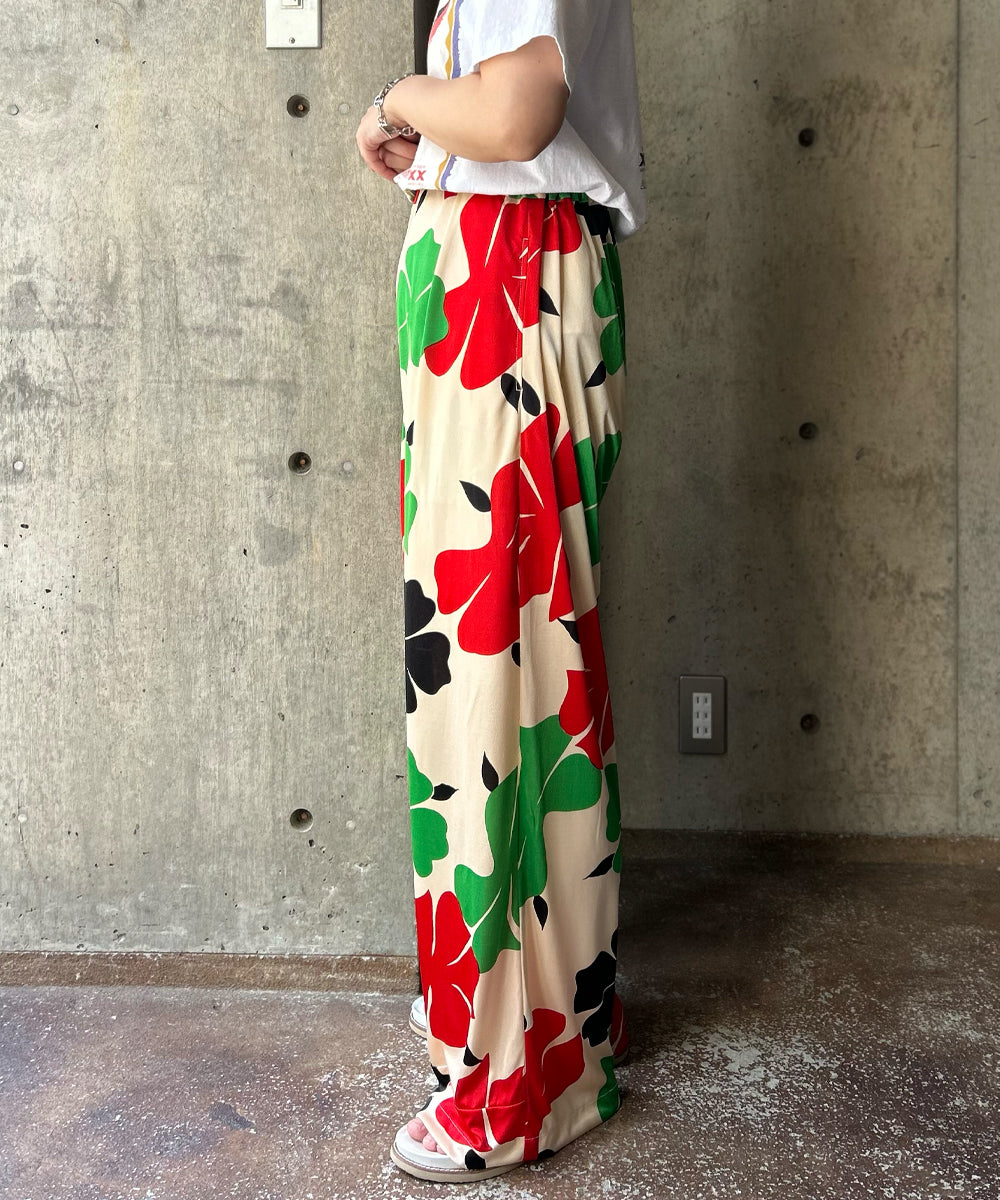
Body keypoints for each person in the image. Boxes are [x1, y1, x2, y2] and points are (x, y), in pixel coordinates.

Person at [355, 0, 647, 1183]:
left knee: (503, 681)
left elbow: (517, 115)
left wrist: (397, 102)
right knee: (506, 666)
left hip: (508, 288)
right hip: (494, 284)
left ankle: (518, 1082)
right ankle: (539, 1014)